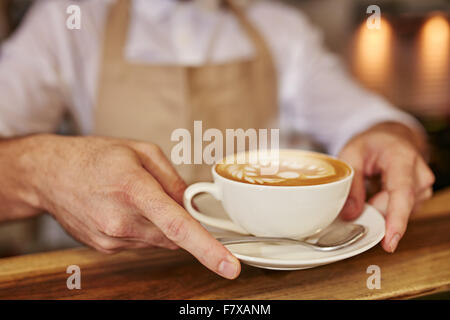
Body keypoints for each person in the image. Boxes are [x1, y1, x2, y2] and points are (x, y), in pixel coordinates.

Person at [0, 0, 434, 279]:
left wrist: (392, 137)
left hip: (276, 289)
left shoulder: (280, 27)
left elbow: (372, 118)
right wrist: (40, 169)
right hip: (128, 281)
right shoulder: (69, 18)